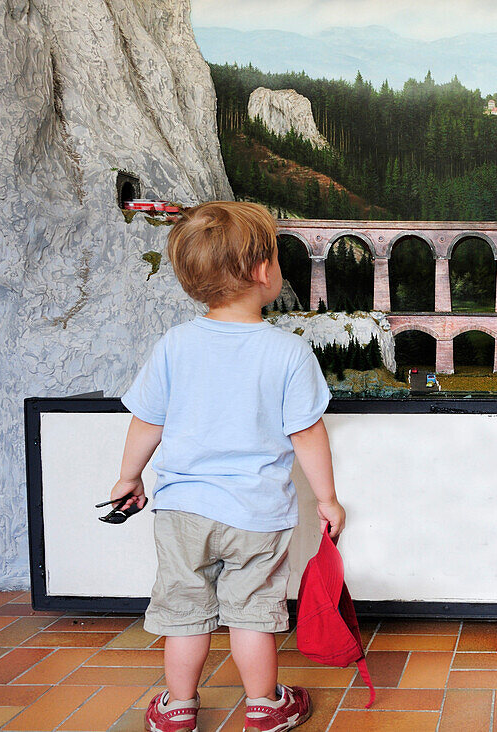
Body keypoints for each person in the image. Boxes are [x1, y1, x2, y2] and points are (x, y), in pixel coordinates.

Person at [107, 201, 345, 732]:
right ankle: (264, 705)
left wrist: (129, 478)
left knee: (185, 613)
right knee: (251, 613)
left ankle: (177, 709)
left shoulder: (175, 345)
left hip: (182, 510)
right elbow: (306, 432)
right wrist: (327, 499)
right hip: (256, 514)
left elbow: (147, 420)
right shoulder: (288, 352)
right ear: (264, 272)